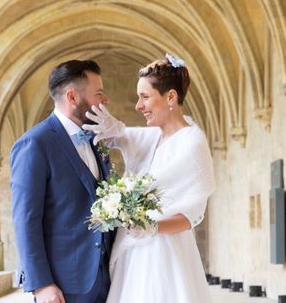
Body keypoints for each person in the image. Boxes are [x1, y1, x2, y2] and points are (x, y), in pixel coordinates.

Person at [83, 54, 215, 303]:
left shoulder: (192, 142)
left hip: (166, 252)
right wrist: (113, 128)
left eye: (145, 97)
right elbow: (124, 136)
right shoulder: (154, 136)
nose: (138, 106)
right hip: (135, 253)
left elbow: (192, 215)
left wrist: (152, 228)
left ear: (171, 97)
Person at [11, 60, 114, 303]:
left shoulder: (95, 139)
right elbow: (26, 219)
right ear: (72, 97)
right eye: (99, 93)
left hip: (106, 280)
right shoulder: (35, 144)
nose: (105, 100)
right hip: (62, 286)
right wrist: (42, 284)